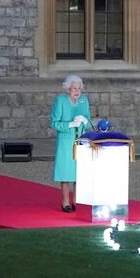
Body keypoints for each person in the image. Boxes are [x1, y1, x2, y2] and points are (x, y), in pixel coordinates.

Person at [50, 74, 92, 212]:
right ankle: (65, 202)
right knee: (66, 172)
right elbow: (54, 123)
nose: (77, 92)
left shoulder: (84, 100)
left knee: (79, 173)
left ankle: (76, 201)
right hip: (66, 142)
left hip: (81, 140)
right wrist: (70, 124)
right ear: (68, 88)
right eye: (74, 89)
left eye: (79, 89)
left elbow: (89, 121)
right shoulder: (60, 100)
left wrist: (85, 121)